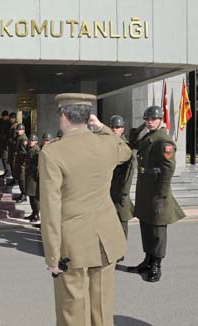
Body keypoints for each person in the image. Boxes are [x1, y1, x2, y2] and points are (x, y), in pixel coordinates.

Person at [39, 93, 132, 326]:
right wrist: (102, 128)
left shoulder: (52, 153)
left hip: (72, 243)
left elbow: (51, 208)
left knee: (72, 309)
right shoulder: (106, 144)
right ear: (88, 116)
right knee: (101, 308)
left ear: (63, 115)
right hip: (106, 239)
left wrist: (52, 255)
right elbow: (126, 150)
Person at [127, 106, 185, 282]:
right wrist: (138, 129)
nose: (150, 122)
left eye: (153, 119)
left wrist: (161, 195)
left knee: (158, 229)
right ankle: (148, 259)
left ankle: (156, 265)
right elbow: (133, 144)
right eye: (147, 119)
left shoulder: (163, 141)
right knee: (146, 225)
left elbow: (168, 171)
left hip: (157, 191)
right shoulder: (149, 136)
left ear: (161, 120)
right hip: (145, 190)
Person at [108, 115, 135, 243]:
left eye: (117, 127)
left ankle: (121, 248)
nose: (114, 129)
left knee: (121, 220)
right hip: (108, 189)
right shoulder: (106, 144)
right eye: (112, 127)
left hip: (120, 189)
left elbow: (129, 173)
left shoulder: (126, 146)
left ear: (122, 129)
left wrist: (124, 193)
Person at [24, 134, 40, 222]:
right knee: (31, 195)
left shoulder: (36, 150)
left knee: (34, 196)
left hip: (33, 176)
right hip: (29, 175)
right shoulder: (30, 149)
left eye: (33, 141)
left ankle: (36, 214)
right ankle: (33, 213)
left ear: (36, 142)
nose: (31, 142)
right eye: (30, 140)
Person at [13, 123, 28, 203]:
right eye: (18, 129)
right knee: (19, 179)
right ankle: (22, 193)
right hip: (18, 161)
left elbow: (25, 152)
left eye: (20, 130)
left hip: (22, 162)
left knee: (22, 179)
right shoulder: (18, 137)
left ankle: (24, 195)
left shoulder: (23, 139)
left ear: (23, 130)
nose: (18, 131)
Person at [0, 110, 11, 176]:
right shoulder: (2, 122)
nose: (4, 117)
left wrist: (5, 136)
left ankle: (8, 171)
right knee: (3, 157)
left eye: (5, 116)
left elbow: (9, 133)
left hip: (6, 143)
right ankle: (6, 170)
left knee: (5, 158)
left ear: (7, 116)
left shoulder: (9, 123)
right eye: (3, 116)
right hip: (2, 142)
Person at [7, 112, 19, 185]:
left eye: (13, 118)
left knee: (14, 165)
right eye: (10, 118)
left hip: (14, 149)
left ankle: (15, 180)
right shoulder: (12, 125)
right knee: (12, 164)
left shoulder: (15, 126)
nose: (11, 119)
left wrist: (11, 140)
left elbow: (15, 138)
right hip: (11, 148)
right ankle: (14, 179)